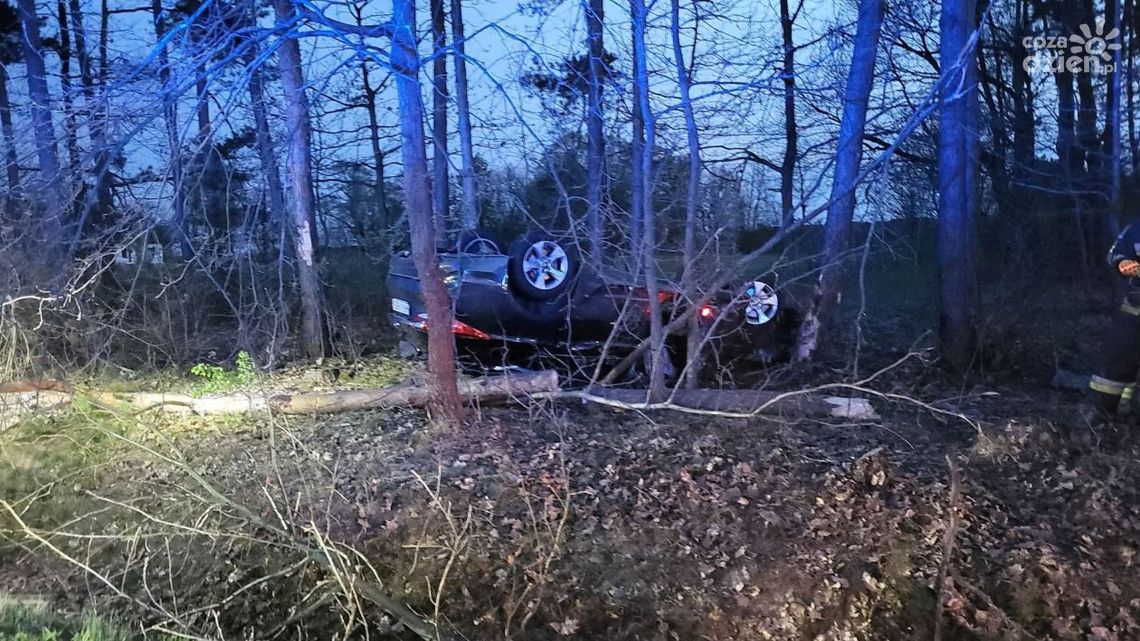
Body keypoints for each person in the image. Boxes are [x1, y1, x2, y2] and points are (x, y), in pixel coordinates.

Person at [1088, 222, 1140, 424]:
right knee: (1116, 360)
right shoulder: (1136, 228)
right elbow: (1115, 253)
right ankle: (1103, 415)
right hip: (1134, 306)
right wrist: (1122, 263)